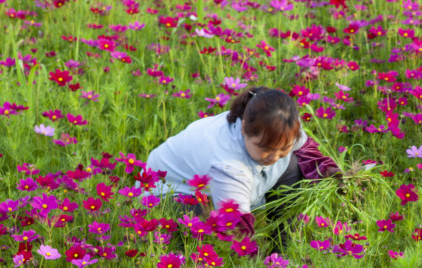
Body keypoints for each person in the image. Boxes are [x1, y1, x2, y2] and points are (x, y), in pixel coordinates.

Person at [143, 86, 338, 241]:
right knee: (192, 227)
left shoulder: (284, 124)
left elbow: (305, 148)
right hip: (174, 191)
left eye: (283, 148)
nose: (275, 157)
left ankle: (282, 248)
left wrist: (329, 170)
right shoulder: (227, 162)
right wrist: (253, 263)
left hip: (227, 180)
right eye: (266, 149)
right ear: (244, 128)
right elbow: (236, 226)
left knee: (294, 165)